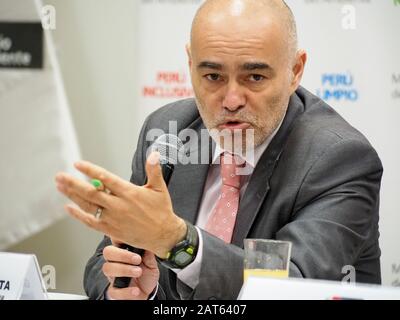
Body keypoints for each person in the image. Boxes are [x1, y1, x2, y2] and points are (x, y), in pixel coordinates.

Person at [55, 0, 383, 300]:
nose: (231, 100)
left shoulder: (340, 161)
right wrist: (136, 292)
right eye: (213, 76)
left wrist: (177, 241)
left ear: (295, 70)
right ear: (190, 64)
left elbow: (290, 285)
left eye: (254, 76)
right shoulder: (169, 131)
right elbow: (106, 262)